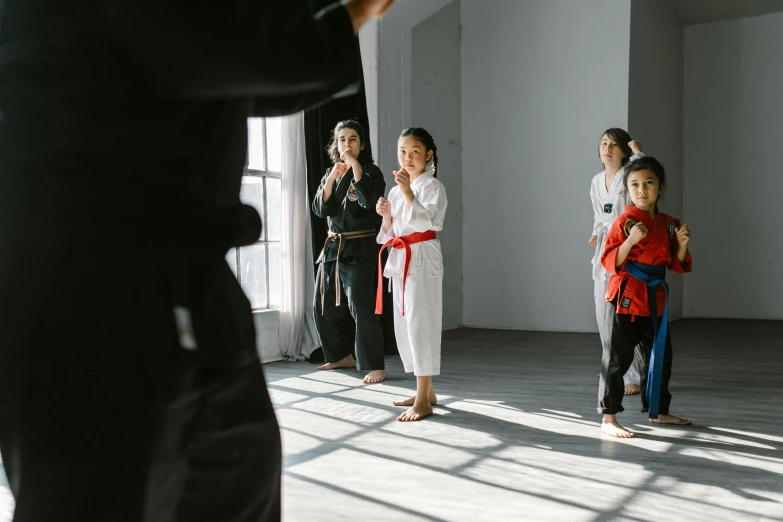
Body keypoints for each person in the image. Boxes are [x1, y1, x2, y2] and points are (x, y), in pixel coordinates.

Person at [0, 1, 395, 520]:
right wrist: (358, 11)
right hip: (85, 281)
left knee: (239, 474)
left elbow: (257, 70)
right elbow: (248, 51)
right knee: (105, 494)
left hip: (185, 278)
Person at [598, 156, 692, 438]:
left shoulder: (670, 224)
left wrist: (683, 246)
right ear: (627, 190)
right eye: (635, 184)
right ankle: (609, 418)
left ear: (660, 187)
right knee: (616, 358)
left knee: (660, 357)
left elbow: (676, 265)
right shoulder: (624, 223)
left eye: (649, 183)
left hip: (655, 299)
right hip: (626, 297)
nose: (642, 189)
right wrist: (630, 241)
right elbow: (609, 261)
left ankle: (657, 410)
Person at [375, 128, 447, 422]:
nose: (407, 157)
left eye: (415, 151)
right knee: (403, 325)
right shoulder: (394, 189)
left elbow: (429, 222)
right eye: (402, 151)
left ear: (428, 155)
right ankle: (424, 392)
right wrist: (386, 216)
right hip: (401, 256)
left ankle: (424, 400)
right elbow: (391, 234)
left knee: (421, 324)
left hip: (423, 257)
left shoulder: (433, 187)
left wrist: (407, 192)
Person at [313, 120, 387, 384]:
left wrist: (354, 166)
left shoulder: (371, 172)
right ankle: (341, 355)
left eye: (353, 138)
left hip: (360, 248)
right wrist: (334, 174)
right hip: (333, 247)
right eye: (342, 139)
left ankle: (374, 364)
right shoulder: (329, 174)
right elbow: (322, 210)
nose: (347, 143)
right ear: (336, 144)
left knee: (362, 306)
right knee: (322, 306)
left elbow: (369, 201)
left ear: (362, 144)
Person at [590, 128, 646, 395]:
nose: (607, 149)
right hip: (604, 249)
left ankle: (633, 374)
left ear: (623, 150)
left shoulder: (629, 176)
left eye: (613, 144)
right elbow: (599, 214)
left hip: (627, 248)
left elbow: (646, 172)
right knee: (603, 313)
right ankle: (611, 369)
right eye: (603, 143)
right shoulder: (596, 181)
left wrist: (637, 151)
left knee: (625, 315)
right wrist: (595, 232)